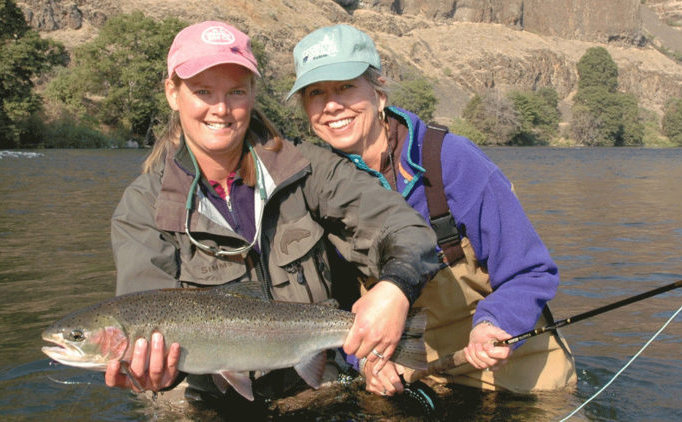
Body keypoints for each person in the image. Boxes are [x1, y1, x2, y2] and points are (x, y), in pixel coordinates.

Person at [104, 21, 441, 403]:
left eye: (235, 91)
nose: (220, 108)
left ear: (251, 94)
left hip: (316, 386)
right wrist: (152, 375)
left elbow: (408, 230)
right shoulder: (143, 207)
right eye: (202, 91)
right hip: (205, 399)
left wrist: (395, 290)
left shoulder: (307, 168)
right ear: (172, 92)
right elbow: (142, 308)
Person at [288, 24, 576, 396]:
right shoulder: (312, 187)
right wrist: (367, 360)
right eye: (316, 93)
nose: (331, 105)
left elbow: (531, 270)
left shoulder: (452, 161)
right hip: (417, 376)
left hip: (515, 370)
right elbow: (339, 306)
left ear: (379, 94)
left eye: (345, 86)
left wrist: (493, 324)